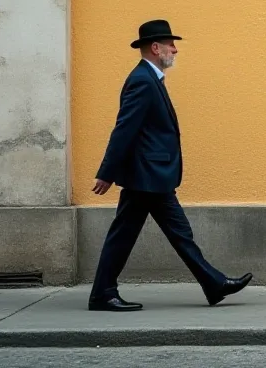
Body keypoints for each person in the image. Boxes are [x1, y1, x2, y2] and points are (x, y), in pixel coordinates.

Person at [87, 19, 252, 311]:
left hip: (151, 175)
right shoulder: (142, 81)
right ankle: (103, 293)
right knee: (135, 234)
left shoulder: (150, 79)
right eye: (170, 45)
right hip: (146, 175)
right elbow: (124, 130)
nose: (175, 50)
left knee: (173, 232)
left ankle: (213, 283)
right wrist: (107, 173)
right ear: (155, 47)